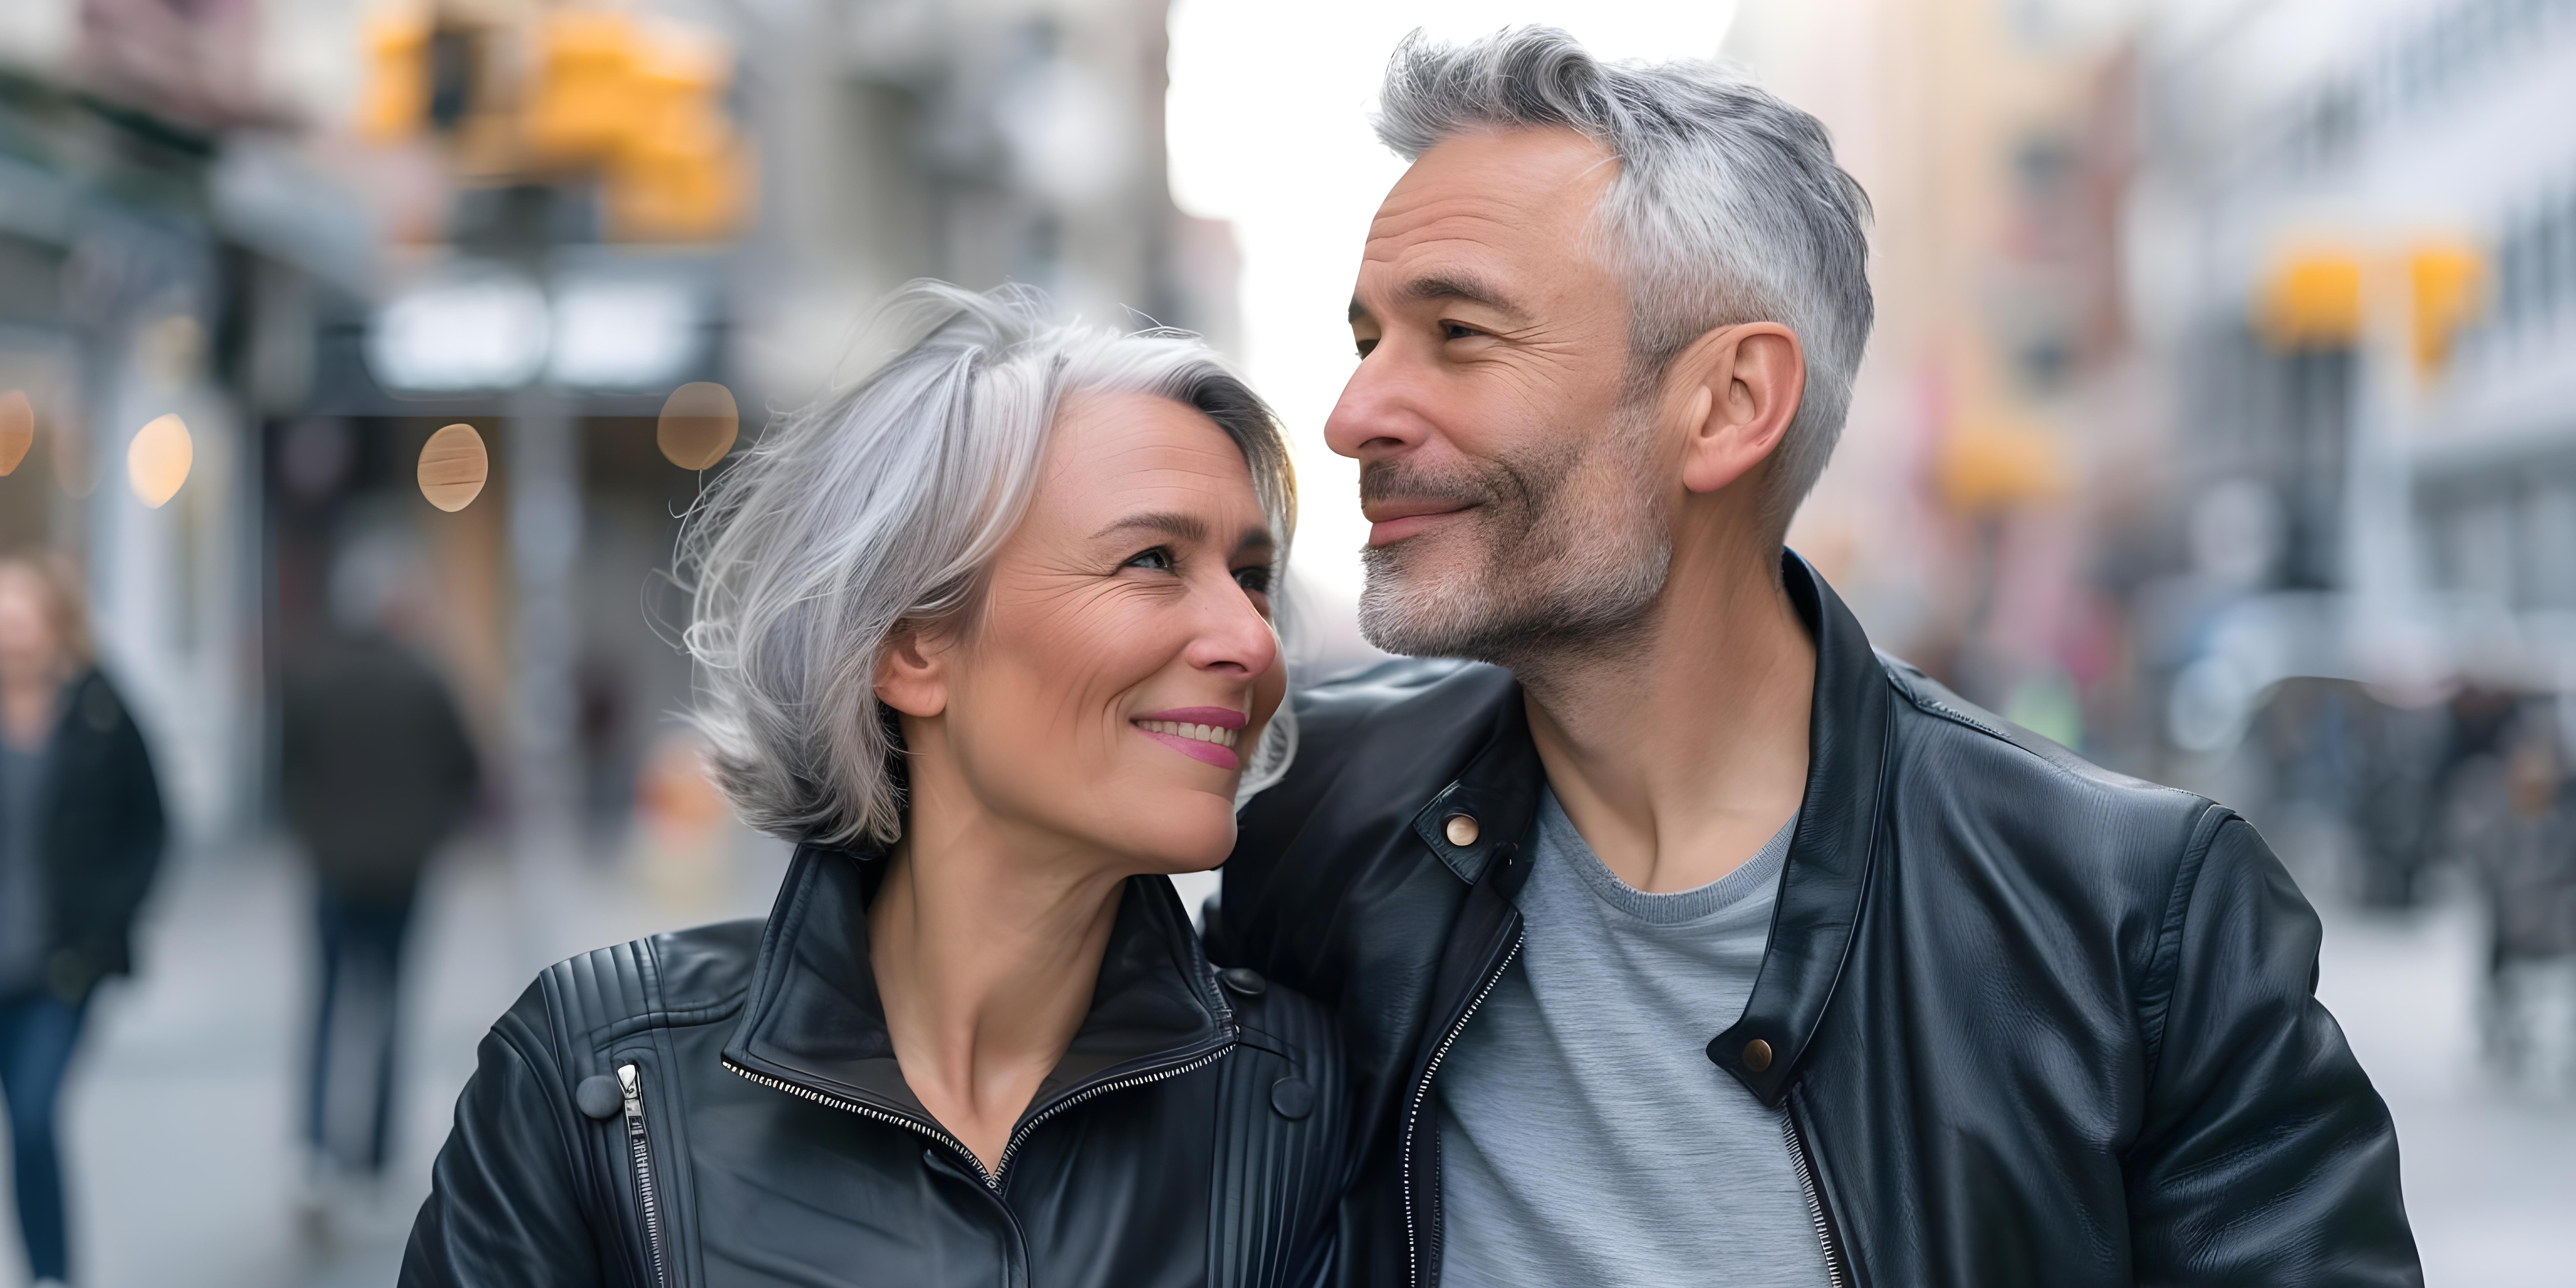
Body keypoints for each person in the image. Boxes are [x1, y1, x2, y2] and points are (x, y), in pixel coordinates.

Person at [1214, 29, 2421, 1288]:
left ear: (1732, 403)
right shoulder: (1311, 815)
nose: (1355, 416)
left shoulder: (2134, 923)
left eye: (1459, 334)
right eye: (1367, 344)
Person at [403, 284, 1346, 1287]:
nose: (1252, 638)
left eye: (1250, 574)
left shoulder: (1298, 1094)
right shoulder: (597, 1079)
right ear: (910, 646)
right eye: (1152, 560)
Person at [279, 538, 480, 1224]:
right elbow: (469, 769)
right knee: (391, 1011)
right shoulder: (426, 679)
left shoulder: (313, 674)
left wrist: (314, 834)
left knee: (329, 1008)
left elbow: (288, 768)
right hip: (403, 871)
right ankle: (373, 1157)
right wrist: (428, 829)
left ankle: (314, 1149)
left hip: (333, 869)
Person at [0, 552, 165, 1288]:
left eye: (22, 615)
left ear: (53, 621)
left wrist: (109, 917)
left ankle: (51, 1274)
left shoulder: (98, 708)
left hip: (60, 962)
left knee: (33, 1117)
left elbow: (152, 823)